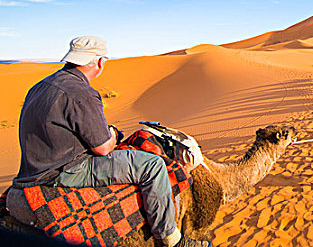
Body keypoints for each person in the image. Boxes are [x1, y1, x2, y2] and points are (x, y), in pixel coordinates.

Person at [7, 36, 201, 247]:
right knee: (153, 166)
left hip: (32, 169)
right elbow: (102, 148)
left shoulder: (40, 86)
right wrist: (114, 135)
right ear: (100, 62)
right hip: (66, 170)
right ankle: (170, 238)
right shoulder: (82, 92)